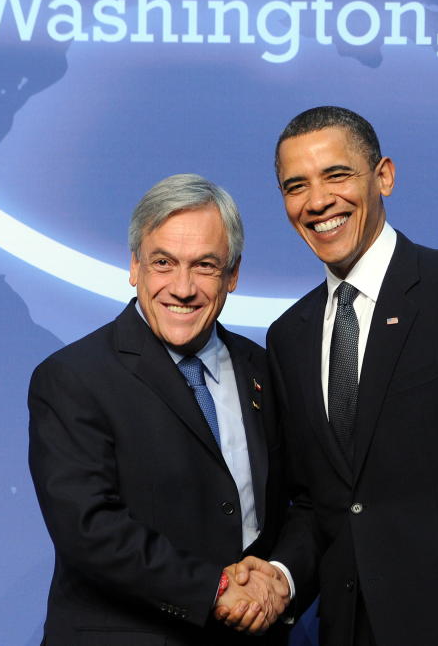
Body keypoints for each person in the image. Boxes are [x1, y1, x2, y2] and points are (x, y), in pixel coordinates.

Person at [224, 107, 438, 645]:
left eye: (336, 175)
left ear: (383, 175)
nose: (317, 202)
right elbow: (320, 502)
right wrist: (281, 576)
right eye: (297, 186)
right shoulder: (289, 336)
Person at [28, 174, 291, 645]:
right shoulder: (73, 378)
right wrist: (216, 589)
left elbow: (303, 503)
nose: (183, 287)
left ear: (233, 274)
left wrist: (280, 579)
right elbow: (89, 529)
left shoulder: (263, 369)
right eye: (164, 262)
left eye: (205, 265)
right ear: (134, 266)